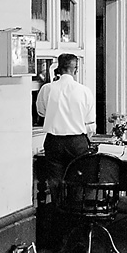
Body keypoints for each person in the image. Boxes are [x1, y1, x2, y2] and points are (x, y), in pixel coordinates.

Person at [35, 53, 95, 197]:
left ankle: (59, 211)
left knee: (55, 181)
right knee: (78, 180)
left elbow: (41, 112)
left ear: (58, 68)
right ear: (76, 69)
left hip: (54, 141)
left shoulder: (47, 89)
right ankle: (75, 210)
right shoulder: (84, 91)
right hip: (77, 141)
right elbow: (90, 123)